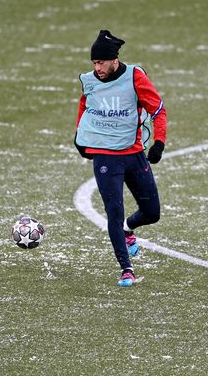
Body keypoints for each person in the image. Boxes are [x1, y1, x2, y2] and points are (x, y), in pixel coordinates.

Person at [75, 29, 167, 287]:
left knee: (152, 212)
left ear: (114, 60)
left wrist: (158, 142)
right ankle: (126, 268)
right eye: (94, 63)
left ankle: (129, 229)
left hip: (134, 154)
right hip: (105, 158)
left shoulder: (134, 77)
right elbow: (86, 106)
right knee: (113, 212)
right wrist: (79, 138)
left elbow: (158, 110)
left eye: (101, 62)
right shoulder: (90, 80)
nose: (97, 68)